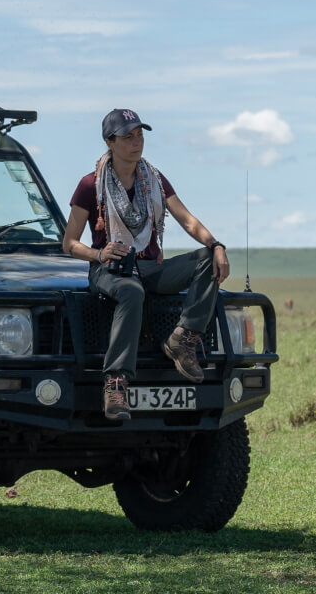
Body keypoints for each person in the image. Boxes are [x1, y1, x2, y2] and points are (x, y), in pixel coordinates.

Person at [62, 109, 229, 421]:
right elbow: (69, 243)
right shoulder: (89, 185)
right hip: (108, 269)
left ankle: (183, 339)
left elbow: (188, 221)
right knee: (131, 291)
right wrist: (100, 254)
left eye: (139, 135)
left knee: (207, 259)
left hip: (151, 267)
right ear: (109, 141)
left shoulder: (155, 178)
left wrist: (215, 244)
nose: (136, 142)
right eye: (128, 137)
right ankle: (115, 382)